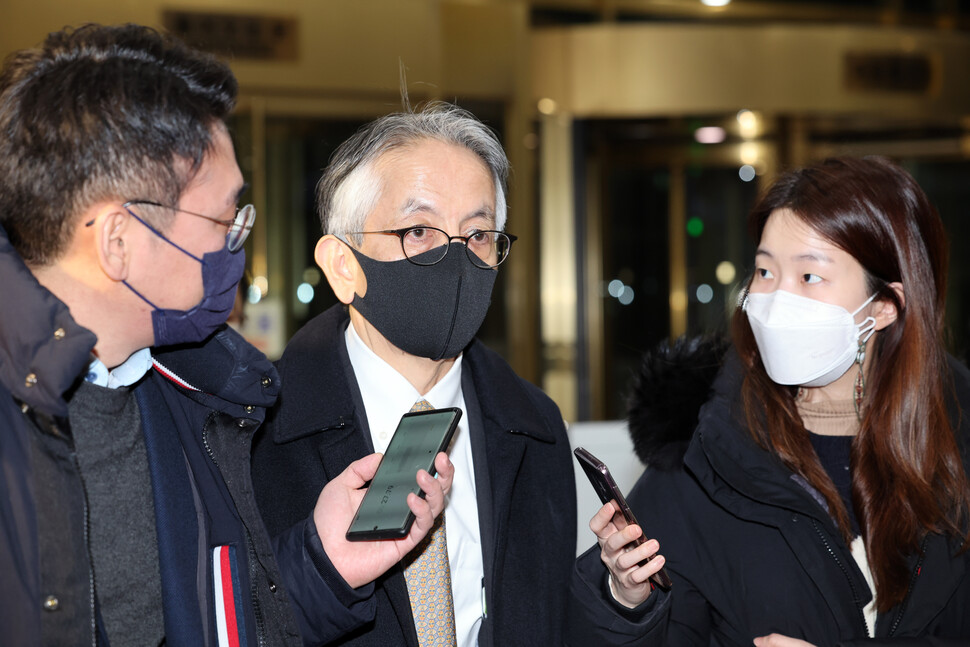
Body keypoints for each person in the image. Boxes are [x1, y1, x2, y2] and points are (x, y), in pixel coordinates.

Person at [0, 24, 452, 646]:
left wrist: (327, 561)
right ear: (118, 241)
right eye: (222, 218)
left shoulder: (193, 396)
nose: (236, 242)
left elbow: (222, 623)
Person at [568, 156, 970, 646]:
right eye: (763, 270)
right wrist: (627, 603)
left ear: (885, 305)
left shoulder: (957, 440)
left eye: (809, 277)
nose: (775, 298)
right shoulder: (704, 446)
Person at [252, 102, 577, 647]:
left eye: (477, 235)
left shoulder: (534, 425)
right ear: (343, 265)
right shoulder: (254, 433)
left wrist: (619, 605)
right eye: (419, 230)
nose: (455, 258)